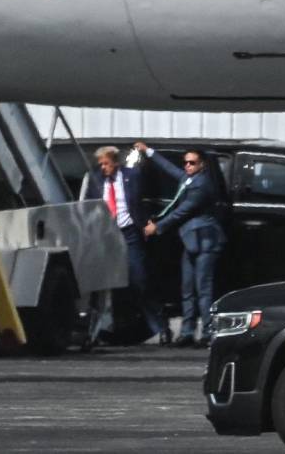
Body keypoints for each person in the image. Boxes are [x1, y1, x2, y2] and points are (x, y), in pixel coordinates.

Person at [136, 142, 226, 348]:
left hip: (205, 241)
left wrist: (157, 227)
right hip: (190, 240)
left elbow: (182, 211)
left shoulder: (202, 185)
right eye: (185, 162)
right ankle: (186, 331)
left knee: (203, 289)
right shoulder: (188, 179)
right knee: (187, 289)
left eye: (192, 163)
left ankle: (207, 332)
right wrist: (148, 151)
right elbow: (169, 169)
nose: (187, 166)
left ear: (202, 164)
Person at [85, 146, 171, 345]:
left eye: (106, 163)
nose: (103, 168)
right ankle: (98, 331)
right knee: (103, 284)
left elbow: (143, 201)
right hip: (106, 234)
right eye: (101, 164)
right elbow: (90, 205)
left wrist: (147, 221)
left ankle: (160, 327)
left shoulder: (133, 175)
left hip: (129, 231)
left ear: (115, 162)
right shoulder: (95, 179)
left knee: (139, 279)